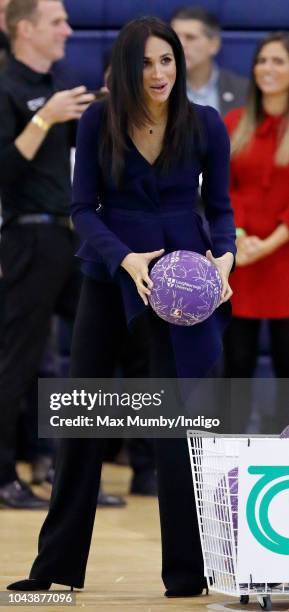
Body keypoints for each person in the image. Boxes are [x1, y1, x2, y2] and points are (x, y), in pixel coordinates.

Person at [8, 16, 235, 595]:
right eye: (145, 63)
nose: (158, 73)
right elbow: (83, 208)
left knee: (178, 427)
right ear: (125, 70)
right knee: (84, 419)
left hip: (184, 287)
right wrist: (126, 260)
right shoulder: (96, 120)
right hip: (108, 278)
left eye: (167, 60)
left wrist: (224, 260)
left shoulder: (205, 123)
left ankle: (189, 575)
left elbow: (223, 208)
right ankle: (55, 568)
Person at [0, 0, 95, 509]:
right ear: (25, 29)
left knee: (88, 351)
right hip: (28, 237)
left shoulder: (56, 89)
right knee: (16, 360)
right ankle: (3, 475)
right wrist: (43, 122)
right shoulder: (7, 88)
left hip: (67, 237)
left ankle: (67, 471)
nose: (68, 29)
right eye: (56, 21)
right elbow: (4, 172)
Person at [223, 32, 289, 433]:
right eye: (262, 60)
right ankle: (226, 460)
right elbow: (224, 188)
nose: (267, 68)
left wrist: (269, 243)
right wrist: (240, 234)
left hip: (283, 261)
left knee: (286, 367)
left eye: (278, 61)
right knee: (235, 364)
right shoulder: (234, 123)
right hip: (240, 259)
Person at [171, 6, 248, 116]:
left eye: (190, 37)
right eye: (175, 38)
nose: (180, 44)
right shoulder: (158, 88)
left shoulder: (243, 90)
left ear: (214, 45)